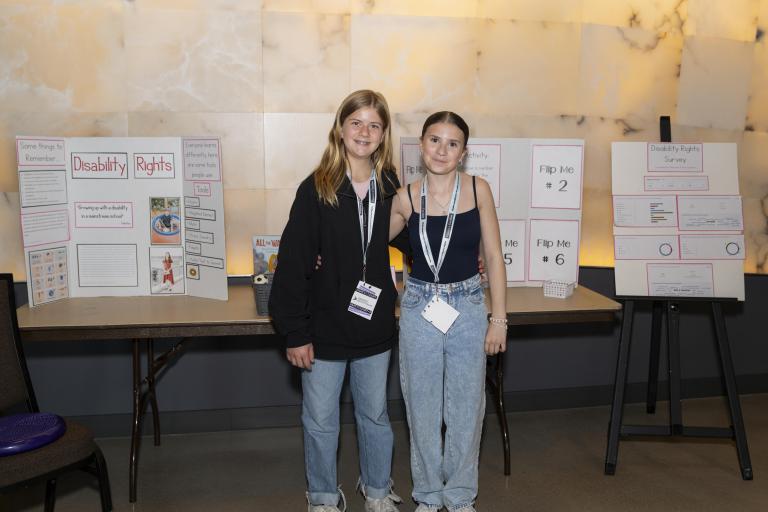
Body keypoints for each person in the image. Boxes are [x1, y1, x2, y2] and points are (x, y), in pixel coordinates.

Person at [269, 90, 407, 512]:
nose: (364, 132)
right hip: (324, 329)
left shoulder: (388, 186)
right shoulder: (317, 188)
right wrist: (294, 332)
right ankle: (325, 496)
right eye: (357, 123)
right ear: (340, 128)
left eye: (374, 125)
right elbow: (292, 265)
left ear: (383, 135)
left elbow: (411, 238)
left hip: (374, 327)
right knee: (321, 422)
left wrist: (458, 259)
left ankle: (378, 489)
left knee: (376, 417)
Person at [389, 112, 507, 512]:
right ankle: (427, 494)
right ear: (421, 145)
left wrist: (499, 319)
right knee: (421, 406)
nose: (442, 150)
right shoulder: (405, 197)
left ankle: (458, 496)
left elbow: (493, 255)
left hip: (470, 306)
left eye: (452, 143)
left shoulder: (478, 189)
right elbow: (365, 242)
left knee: (466, 406)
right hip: (421, 304)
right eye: (434, 140)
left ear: (464, 152)